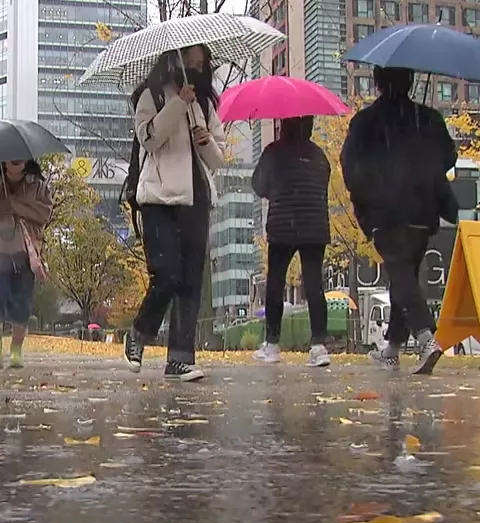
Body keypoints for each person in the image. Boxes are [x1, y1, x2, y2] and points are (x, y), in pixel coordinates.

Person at [341, 65, 457, 375]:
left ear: (377, 83)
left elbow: (350, 166)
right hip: (423, 210)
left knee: (401, 273)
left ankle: (425, 337)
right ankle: (392, 347)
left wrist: (366, 193)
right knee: (404, 277)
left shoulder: (365, 122)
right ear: (411, 80)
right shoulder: (428, 119)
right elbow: (449, 156)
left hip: (385, 210)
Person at [121, 45, 227, 382]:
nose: (195, 68)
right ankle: (139, 333)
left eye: (201, 64)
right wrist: (178, 102)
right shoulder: (151, 96)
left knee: (191, 283)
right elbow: (149, 139)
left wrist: (206, 139)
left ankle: (180, 358)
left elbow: (219, 159)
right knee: (167, 274)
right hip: (159, 199)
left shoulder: (206, 103)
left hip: (196, 200)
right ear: (174, 61)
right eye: (189, 62)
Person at [250, 116, 332, 368]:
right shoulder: (319, 156)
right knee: (314, 284)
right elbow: (323, 183)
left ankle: (272, 344)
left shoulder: (273, 152)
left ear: (283, 125)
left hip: (283, 225)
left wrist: (277, 188)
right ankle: (319, 345)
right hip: (314, 226)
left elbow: (258, 185)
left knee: (275, 284)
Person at [0, 158, 53, 369]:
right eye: (11, 155)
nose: (15, 159)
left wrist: (16, 206)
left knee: (22, 301)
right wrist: (3, 221)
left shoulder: (38, 186)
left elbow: (44, 213)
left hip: (27, 251)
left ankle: (16, 350)